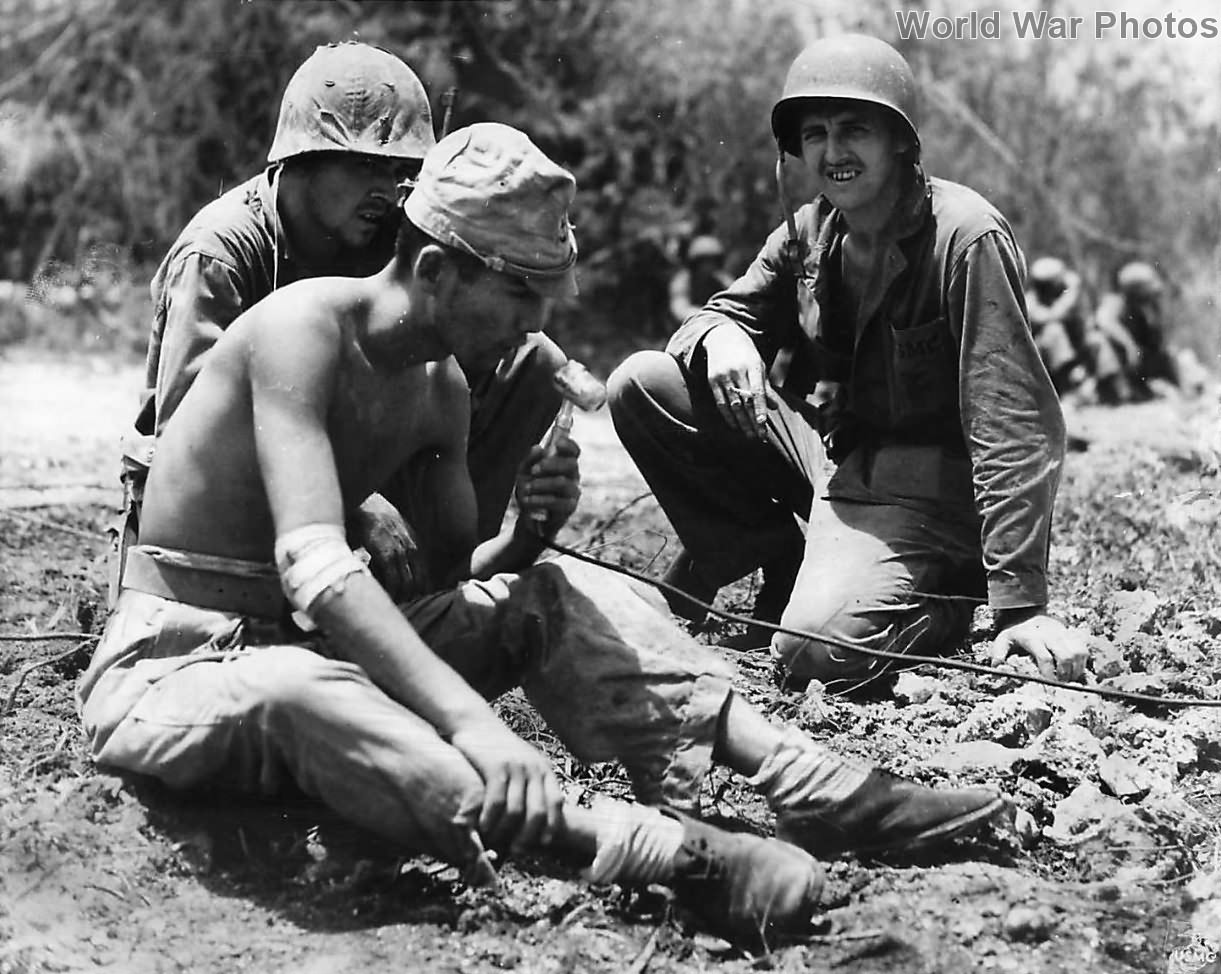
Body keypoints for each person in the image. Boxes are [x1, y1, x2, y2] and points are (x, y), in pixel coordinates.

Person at [79, 123, 1006, 943]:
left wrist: (525, 537)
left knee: (562, 592)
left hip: (318, 650)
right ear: (435, 269)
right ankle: (654, 854)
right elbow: (319, 569)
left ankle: (811, 783)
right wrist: (478, 727)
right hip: (180, 665)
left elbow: (444, 582)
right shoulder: (301, 332)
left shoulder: (440, 387)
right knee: (296, 687)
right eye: (519, 296)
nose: (537, 325)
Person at [608, 35, 1090, 692]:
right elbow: (715, 315)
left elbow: (1006, 415)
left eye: (854, 130)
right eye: (815, 134)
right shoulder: (809, 230)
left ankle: (940, 599)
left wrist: (1019, 606)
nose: (833, 152)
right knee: (644, 384)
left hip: (923, 495)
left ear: (899, 140)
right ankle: (782, 562)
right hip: (831, 456)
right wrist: (722, 335)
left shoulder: (964, 236)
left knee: (810, 656)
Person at [113, 41, 568, 605]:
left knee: (531, 360)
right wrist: (356, 508)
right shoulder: (222, 254)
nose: (384, 189)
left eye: (399, 170)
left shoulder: (384, 239)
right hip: (207, 514)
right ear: (299, 161)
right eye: (362, 166)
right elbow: (191, 432)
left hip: (338, 464)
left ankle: (444, 584)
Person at [1092, 261, 1178, 403]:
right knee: (1099, 342)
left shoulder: (1147, 308)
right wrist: (1129, 345)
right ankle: (1121, 391)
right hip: (1116, 359)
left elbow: (1156, 339)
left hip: (1139, 360)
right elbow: (1104, 321)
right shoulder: (1116, 302)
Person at [1025, 256, 1092, 396]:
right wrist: (1071, 293)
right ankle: (1067, 389)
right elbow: (1051, 316)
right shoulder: (1031, 301)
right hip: (1047, 360)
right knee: (1054, 331)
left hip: (1077, 349)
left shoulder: (1068, 295)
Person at [669, 235, 733, 326]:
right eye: (705, 262)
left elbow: (736, 298)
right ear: (696, 263)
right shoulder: (682, 281)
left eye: (713, 261)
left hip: (717, 324)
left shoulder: (721, 279)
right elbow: (679, 309)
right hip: (688, 328)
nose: (709, 266)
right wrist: (704, 315)